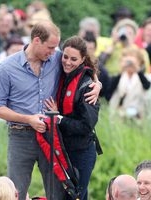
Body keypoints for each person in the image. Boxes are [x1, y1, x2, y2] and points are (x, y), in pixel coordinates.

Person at [0, 21, 101, 200]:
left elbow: (83, 64)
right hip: (20, 136)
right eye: (50, 47)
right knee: (14, 192)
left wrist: (97, 83)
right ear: (36, 41)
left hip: (51, 136)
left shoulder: (56, 58)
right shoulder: (6, 68)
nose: (53, 52)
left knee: (57, 193)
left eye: (56, 47)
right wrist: (28, 119)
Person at [44, 35, 101, 200]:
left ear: (83, 59)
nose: (68, 62)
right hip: (64, 149)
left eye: (74, 59)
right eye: (65, 57)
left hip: (82, 152)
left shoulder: (87, 86)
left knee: (75, 196)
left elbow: (86, 126)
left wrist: (59, 118)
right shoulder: (64, 74)